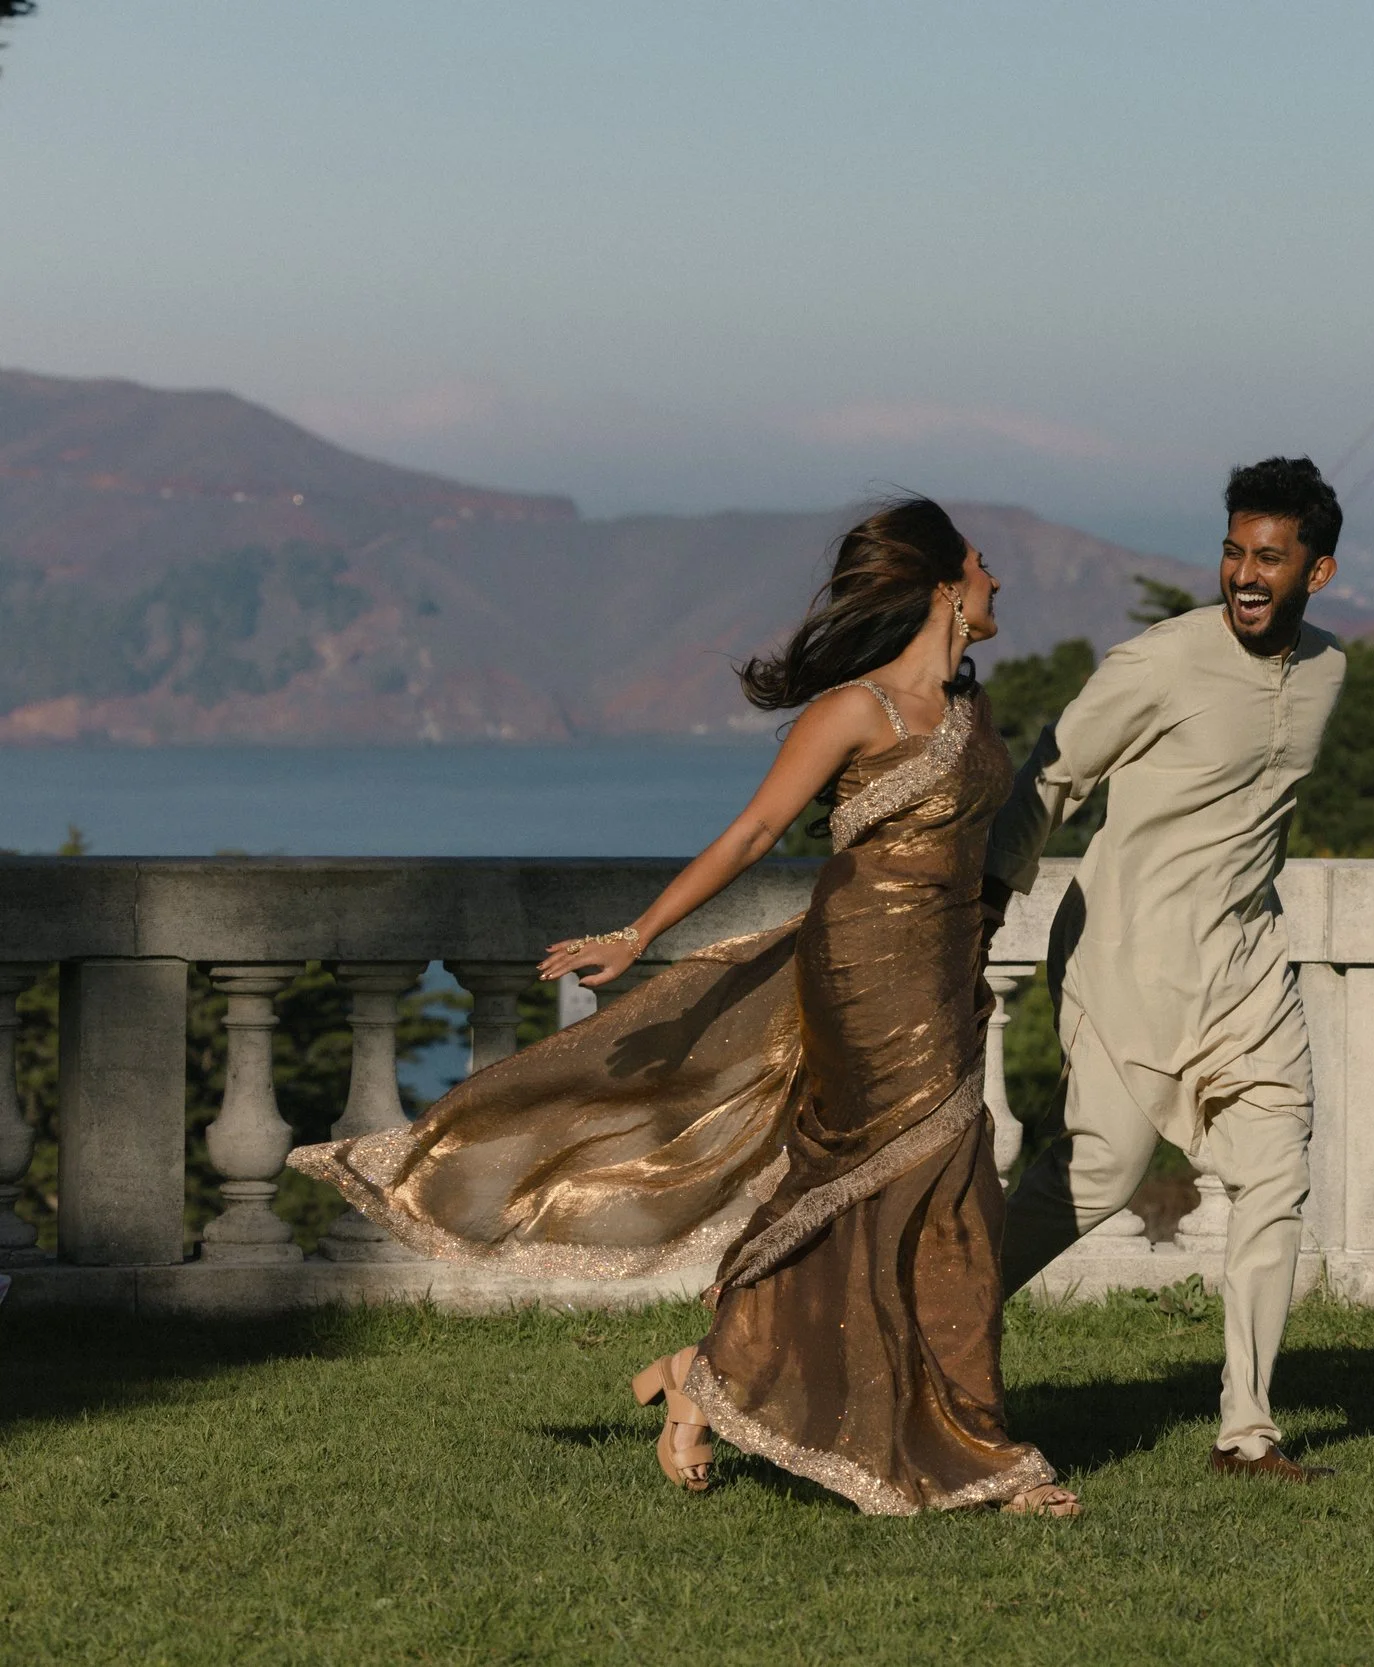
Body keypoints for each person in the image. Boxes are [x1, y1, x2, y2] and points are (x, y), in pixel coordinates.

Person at [289, 497, 1079, 1519]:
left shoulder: (972, 712)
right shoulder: (855, 710)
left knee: (955, 1196)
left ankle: (757, 1382)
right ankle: (944, 1442)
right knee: (874, 1184)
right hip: (861, 969)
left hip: (943, 968)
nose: (995, 577)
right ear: (939, 582)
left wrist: (971, 950)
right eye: (979, 561)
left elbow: (973, 857)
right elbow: (754, 833)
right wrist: (638, 930)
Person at [986, 456, 1347, 1479]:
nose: (1243, 572)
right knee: (1098, 1173)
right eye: (1232, 550)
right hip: (1126, 952)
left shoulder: (1329, 671)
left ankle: (1249, 1431)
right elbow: (1048, 778)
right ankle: (933, 1326)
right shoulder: (1158, 661)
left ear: (1315, 572)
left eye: (1268, 557)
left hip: (1248, 963)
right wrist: (979, 900)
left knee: (1276, 1178)